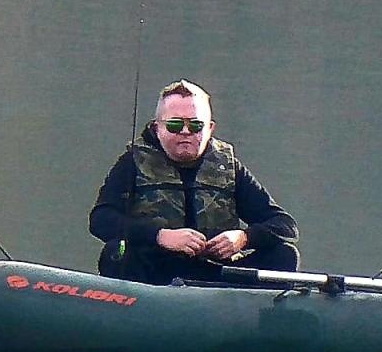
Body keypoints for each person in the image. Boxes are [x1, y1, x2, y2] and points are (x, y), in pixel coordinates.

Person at [90, 80, 300, 286]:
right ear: (157, 128)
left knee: (285, 254)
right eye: (174, 124)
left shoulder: (228, 166)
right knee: (115, 252)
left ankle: (239, 308)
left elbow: (285, 225)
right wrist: (160, 236)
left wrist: (243, 238)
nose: (185, 131)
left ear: (209, 128)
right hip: (155, 274)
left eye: (195, 125)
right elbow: (101, 220)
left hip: (217, 273)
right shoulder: (133, 162)